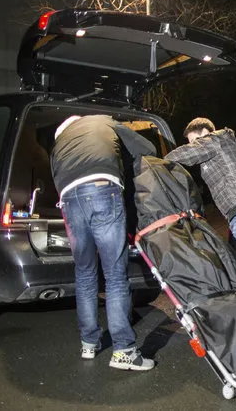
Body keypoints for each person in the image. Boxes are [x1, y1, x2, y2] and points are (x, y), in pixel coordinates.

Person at [51, 114, 156, 370]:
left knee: (85, 273)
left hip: (69, 200)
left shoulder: (57, 147)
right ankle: (123, 351)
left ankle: (89, 343)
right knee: (115, 275)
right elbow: (147, 148)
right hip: (101, 189)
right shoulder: (102, 120)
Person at [164, 117, 236, 293]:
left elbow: (182, 155)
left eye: (194, 141)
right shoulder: (224, 144)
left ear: (204, 132)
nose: (194, 145)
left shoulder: (215, 140)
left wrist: (159, 162)